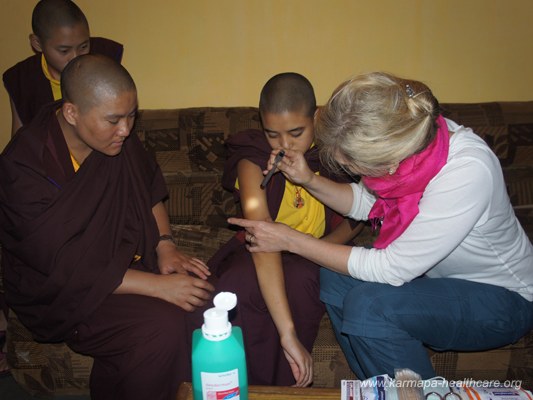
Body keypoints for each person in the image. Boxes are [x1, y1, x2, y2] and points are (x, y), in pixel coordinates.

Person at [227, 71, 533, 379]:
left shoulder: (467, 171)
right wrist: (307, 180)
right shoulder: (415, 141)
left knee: (371, 306)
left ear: (389, 162)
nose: (347, 170)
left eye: (352, 165)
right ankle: (377, 388)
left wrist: (291, 240)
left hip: (507, 299)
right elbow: (365, 202)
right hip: (447, 283)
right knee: (334, 277)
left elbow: (391, 268)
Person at [0, 54, 214, 400]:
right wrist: (158, 287)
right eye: (114, 119)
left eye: (132, 116)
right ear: (72, 113)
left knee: (206, 301)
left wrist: (165, 245)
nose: (126, 130)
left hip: (123, 265)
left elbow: (147, 190)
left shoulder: (116, 143)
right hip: (63, 291)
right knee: (160, 326)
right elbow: (63, 265)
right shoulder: (23, 166)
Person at [205, 72, 362, 387]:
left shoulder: (334, 155)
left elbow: (358, 217)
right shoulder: (252, 159)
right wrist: (286, 331)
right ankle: (243, 389)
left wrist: (319, 250)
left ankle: (287, 390)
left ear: (316, 118)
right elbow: (261, 234)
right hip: (258, 251)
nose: (285, 145)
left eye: (296, 132)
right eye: (272, 134)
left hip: (310, 251)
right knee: (239, 282)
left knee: (303, 279)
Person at [3, 0, 124, 137]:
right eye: (64, 51)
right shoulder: (22, 78)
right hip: (48, 156)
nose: (75, 58)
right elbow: (20, 141)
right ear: (37, 44)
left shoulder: (105, 59)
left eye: (83, 47)